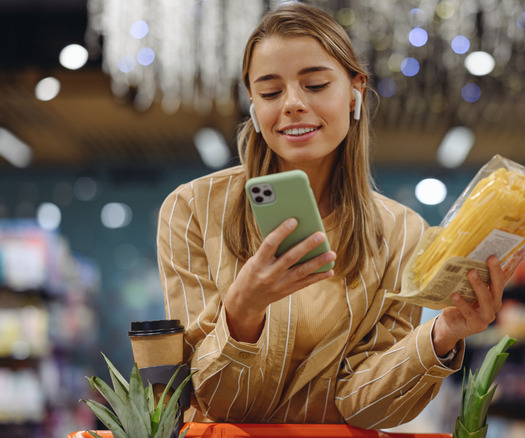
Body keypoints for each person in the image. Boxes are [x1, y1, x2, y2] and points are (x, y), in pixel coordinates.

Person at [156, 2, 504, 429]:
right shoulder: (193, 208)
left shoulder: (402, 232)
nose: (293, 104)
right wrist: (242, 311)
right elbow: (209, 397)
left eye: (316, 84)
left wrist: (442, 334)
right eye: (270, 92)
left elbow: (365, 406)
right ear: (253, 105)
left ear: (356, 89)